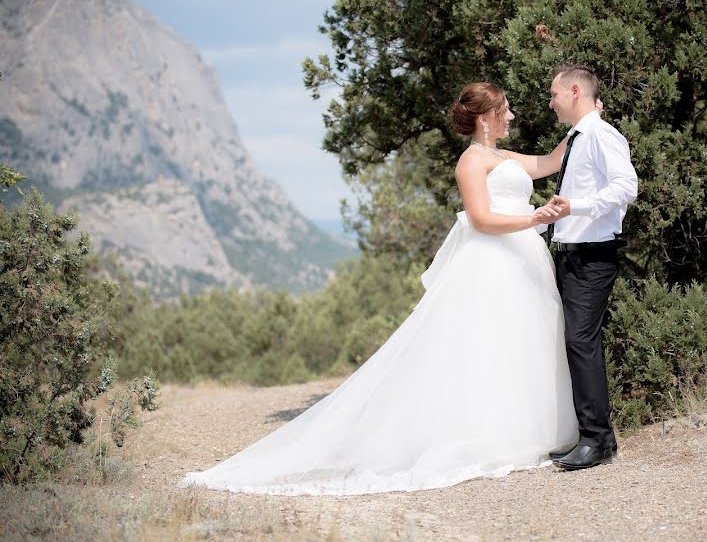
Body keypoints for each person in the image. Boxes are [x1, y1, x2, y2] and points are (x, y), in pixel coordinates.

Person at [179, 82, 579, 496]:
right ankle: (489, 437)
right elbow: (481, 220)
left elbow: (548, 163)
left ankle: (523, 431)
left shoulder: (501, 155)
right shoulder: (470, 163)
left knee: (517, 345)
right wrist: (535, 219)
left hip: (522, 261)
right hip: (492, 262)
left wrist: (582, 124)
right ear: (485, 118)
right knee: (483, 347)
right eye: (506, 110)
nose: (511, 116)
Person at [537, 64, 639, 471]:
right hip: (572, 253)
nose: (551, 102)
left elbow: (626, 186)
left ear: (574, 91)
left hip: (592, 255)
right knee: (577, 343)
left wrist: (574, 208)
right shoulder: (577, 139)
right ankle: (600, 439)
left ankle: (595, 441)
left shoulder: (600, 134)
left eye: (554, 95)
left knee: (582, 343)